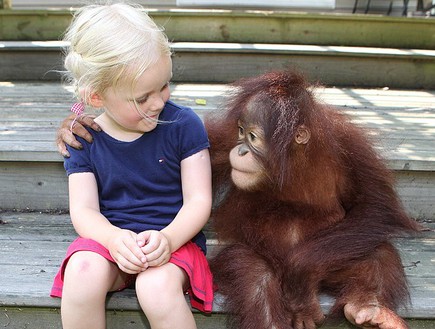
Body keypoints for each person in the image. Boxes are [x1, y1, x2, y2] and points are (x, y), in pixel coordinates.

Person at [50, 3, 214, 329]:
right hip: (109, 244)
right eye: (142, 98)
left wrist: (167, 239)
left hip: (174, 243)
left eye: (164, 86)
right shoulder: (84, 139)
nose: (158, 102)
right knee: (81, 272)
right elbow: (84, 211)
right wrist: (112, 240)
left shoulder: (184, 125)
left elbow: (199, 200)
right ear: (96, 97)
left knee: (154, 288)